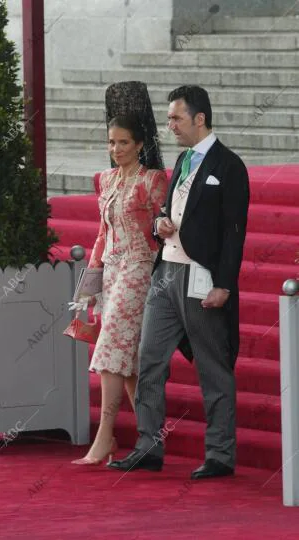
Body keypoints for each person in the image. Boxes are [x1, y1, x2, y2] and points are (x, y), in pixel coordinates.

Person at [108, 85, 250, 479]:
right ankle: (148, 447)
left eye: (176, 118)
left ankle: (220, 454)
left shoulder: (229, 166)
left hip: (200, 277)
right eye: (169, 117)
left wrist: (224, 284)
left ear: (199, 118)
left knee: (212, 367)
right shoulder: (184, 160)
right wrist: (159, 223)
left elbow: (234, 232)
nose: (169, 125)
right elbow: (168, 212)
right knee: (149, 360)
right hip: (165, 273)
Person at [71, 112, 167, 465]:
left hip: (140, 269)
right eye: (112, 142)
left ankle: (105, 435)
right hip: (111, 272)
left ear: (139, 144)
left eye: (123, 142)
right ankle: (150, 440)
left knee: (111, 349)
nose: (116, 148)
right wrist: (89, 286)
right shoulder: (107, 179)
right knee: (127, 362)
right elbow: (101, 233)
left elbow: (163, 226)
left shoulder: (152, 180)